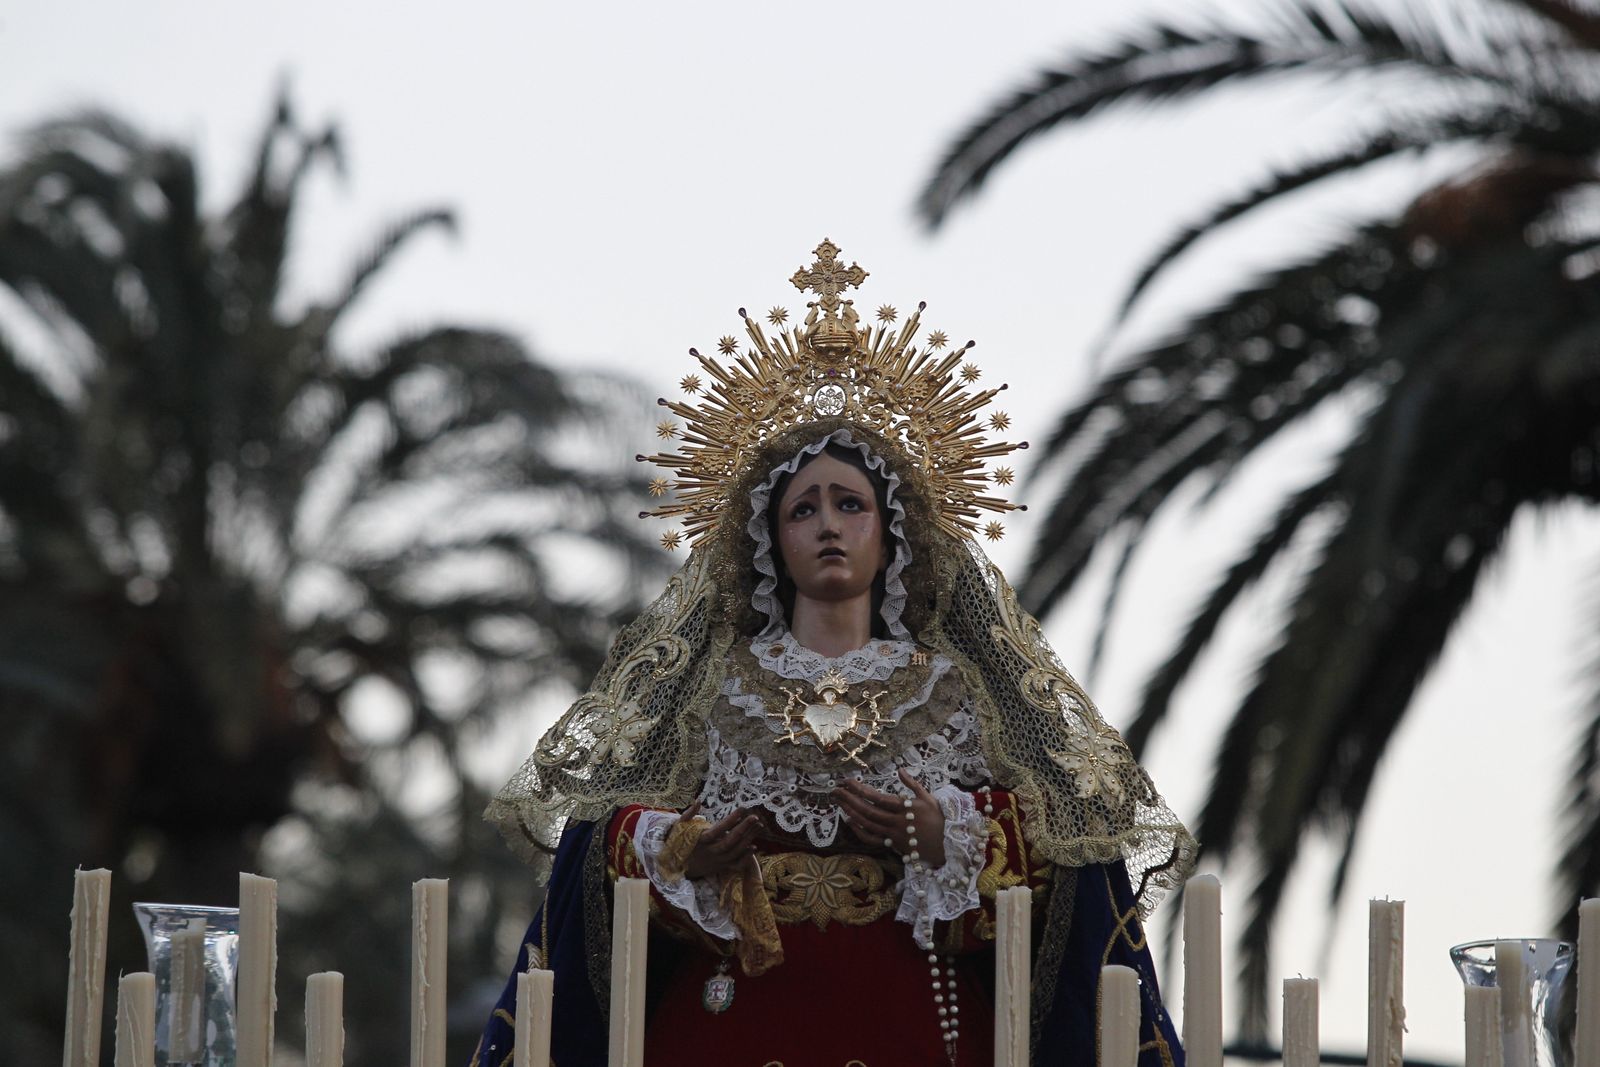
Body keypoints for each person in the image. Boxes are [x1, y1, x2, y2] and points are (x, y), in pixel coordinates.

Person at [470, 241, 1196, 1067]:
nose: (827, 524)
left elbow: (1068, 846)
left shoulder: (960, 695)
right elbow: (598, 836)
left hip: (914, 1025)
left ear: (891, 532)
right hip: (728, 1023)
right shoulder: (708, 689)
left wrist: (948, 832)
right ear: (768, 540)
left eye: (850, 504)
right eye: (802, 508)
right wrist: (681, 848)